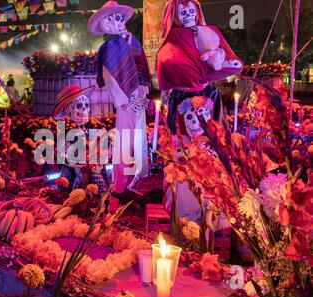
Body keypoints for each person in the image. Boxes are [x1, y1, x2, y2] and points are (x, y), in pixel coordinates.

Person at [88, 1, 152, 194]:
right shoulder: (109, 47)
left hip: (137, 98)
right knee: (125, 139)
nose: (118, 22)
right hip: (125, 101)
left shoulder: (134, 41)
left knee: (139, 136)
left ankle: (139, 179)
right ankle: (121, 183)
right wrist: (123, 101)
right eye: (112, 19)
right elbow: (109, 77)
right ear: (106, 25)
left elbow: (141, 70)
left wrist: (142, 94)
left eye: (119, 17)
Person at [156, 0, 243, 134]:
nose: (188, 15)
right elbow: (165, 61)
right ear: (176, 16)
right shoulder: (173, 38)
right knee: (185, 136)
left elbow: (220, 58)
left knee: (210, 135)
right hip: (182, 96)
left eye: (191, 11)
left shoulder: (207, 32)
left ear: (197, 13)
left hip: (205, 93)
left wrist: (219, 59)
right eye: (183, 12)